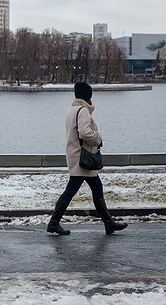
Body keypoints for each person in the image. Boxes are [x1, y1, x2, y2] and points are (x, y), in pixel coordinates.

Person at [47, 82, 128, 235]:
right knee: (74, 190)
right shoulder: (83, 110)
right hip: (82, 158)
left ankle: (108, 223)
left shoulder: (72, 109)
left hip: (75, 155)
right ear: (87, 95)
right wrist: (97, 138)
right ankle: (53, 223)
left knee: (94, 187)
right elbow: (85, 133)